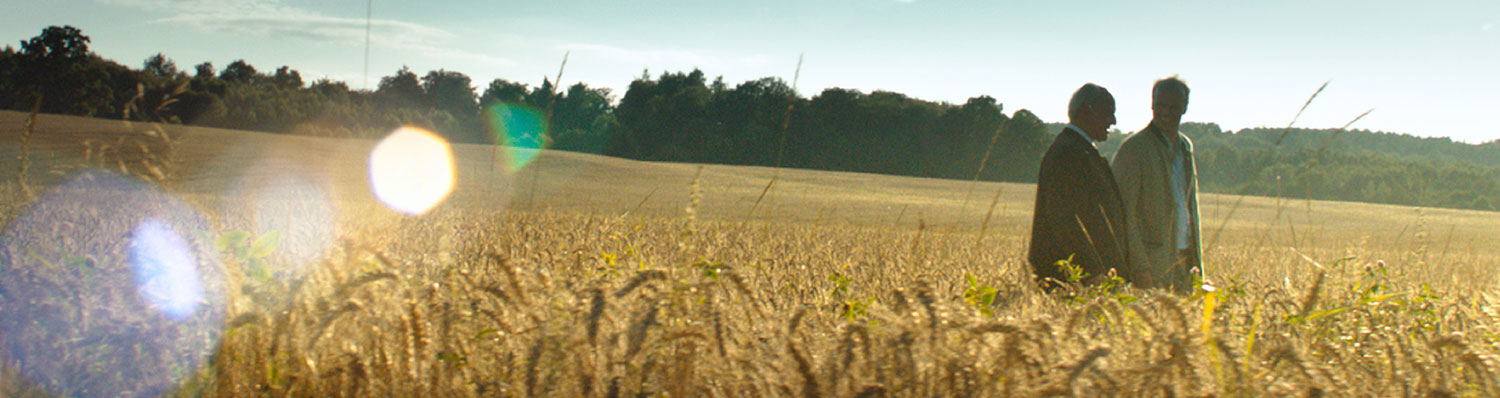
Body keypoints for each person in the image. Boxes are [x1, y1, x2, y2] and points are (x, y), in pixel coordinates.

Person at [1028, 83, 1134, 289]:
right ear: (1087, 111)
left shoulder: (1077, 150)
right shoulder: (1069, 153)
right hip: (1068, 279)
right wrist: (1092, 272)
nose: (1113, 121)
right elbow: (1063, 220)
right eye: (1108, 113)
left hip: (1080, 278)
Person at [1111, 76, 1202, 293]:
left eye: (1173, 107)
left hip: (1184, 264)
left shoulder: (1185, 147)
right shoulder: (1134, 149)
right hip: (1151, 268)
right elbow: (1124, 215)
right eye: (1160, 105)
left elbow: (1190, 210)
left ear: (1185, 107)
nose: (1165, 112)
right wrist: (1140, 268)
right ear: (1151, 104)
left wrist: (1197, 267)